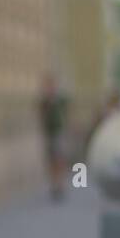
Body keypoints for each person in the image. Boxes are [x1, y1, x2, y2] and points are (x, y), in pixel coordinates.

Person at [38, 72, 70, 201]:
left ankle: (60, 184)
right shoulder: (44, 101)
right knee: (51, 160)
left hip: (58, 132)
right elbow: (41, 115)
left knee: (59, 159)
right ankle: (54, 183)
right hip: (49, 133)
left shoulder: (60, 100)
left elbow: (66, 114)